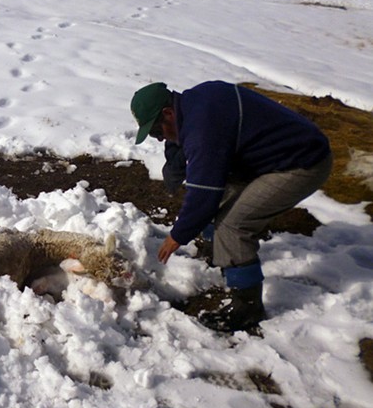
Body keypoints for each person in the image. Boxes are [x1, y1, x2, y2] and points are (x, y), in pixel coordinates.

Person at [130, 81, 332, 332]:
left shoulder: (204, 130)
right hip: (270, 155)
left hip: (301, 163)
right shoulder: (193, 103)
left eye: (157, 132)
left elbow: (203, 195)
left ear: (168, 114)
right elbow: (181, 142)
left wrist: (177, 236)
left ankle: (247, 307)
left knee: (232, 226)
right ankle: (221, 254)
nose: (160, 138)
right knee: (221, 203)